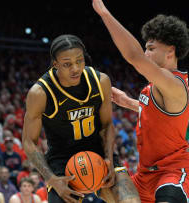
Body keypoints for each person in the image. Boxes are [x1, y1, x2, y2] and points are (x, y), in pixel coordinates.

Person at [92, 0, 189, 202]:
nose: (146, 53)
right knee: (98, 186)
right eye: (146, 49)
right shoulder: (153, 87)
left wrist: (105, 14)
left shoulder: (175, 83)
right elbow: (156, 116)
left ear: (170, 51)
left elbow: (134, 57)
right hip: (144, 175)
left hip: (172, 171)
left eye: (150, 48)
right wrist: (128, 102)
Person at [22, 34, 140, 203]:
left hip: (98, 152)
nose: (76, 68)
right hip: (62, 160)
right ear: (55, 64)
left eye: (79, 61)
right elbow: (28, 141)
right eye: (67, 64)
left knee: (131, 200)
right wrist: (51, 179)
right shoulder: (40, 93)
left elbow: (106, 125)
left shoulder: (100, 81)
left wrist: (108, 160)